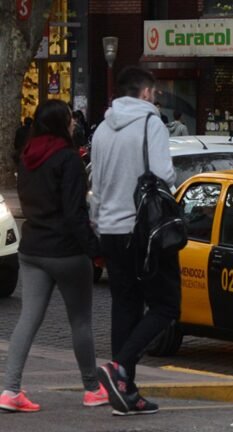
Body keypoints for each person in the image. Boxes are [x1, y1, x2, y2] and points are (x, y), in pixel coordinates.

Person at [0, 100, 107, 413]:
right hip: (66, 251)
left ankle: (10, 389)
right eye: (70, 119)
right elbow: (75, 213)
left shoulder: (26, 157)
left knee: (28, 319)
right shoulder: (68, 159)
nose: (74, 123)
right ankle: (92, 388)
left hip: (33, 247)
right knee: (81, 321)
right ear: (61, 124)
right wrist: (95, 251)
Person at [90, 66, 178, 416]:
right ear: (144, 93)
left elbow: (96, 184)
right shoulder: (150, 123)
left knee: (124, 306)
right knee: (166, 305)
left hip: (110, 229)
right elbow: (163, 173)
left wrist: (98, 225)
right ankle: (120, 368)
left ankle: (124, 392)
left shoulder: (101, 129)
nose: (155, 100)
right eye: (153, 94)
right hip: (143, 231)